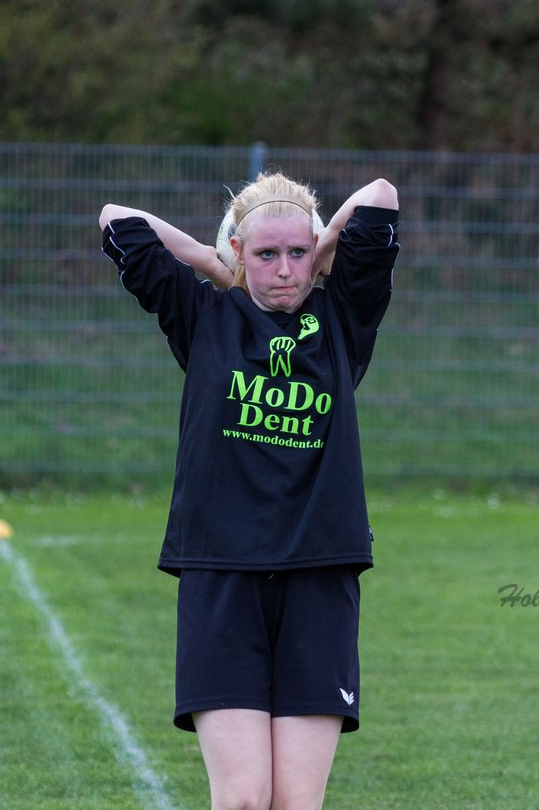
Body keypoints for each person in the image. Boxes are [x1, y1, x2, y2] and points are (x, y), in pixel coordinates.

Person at [99, 171, 399, 810]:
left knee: (294, 803)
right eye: (266, 254)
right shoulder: (205, 318)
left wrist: (318, 249)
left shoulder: (343, 320)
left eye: (298, 253)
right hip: (221, 576)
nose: (285, 270)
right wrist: (216, 265)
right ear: (240, 253)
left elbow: (379, 195)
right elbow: (116, 216)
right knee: (240, 799)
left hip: (319, 575)